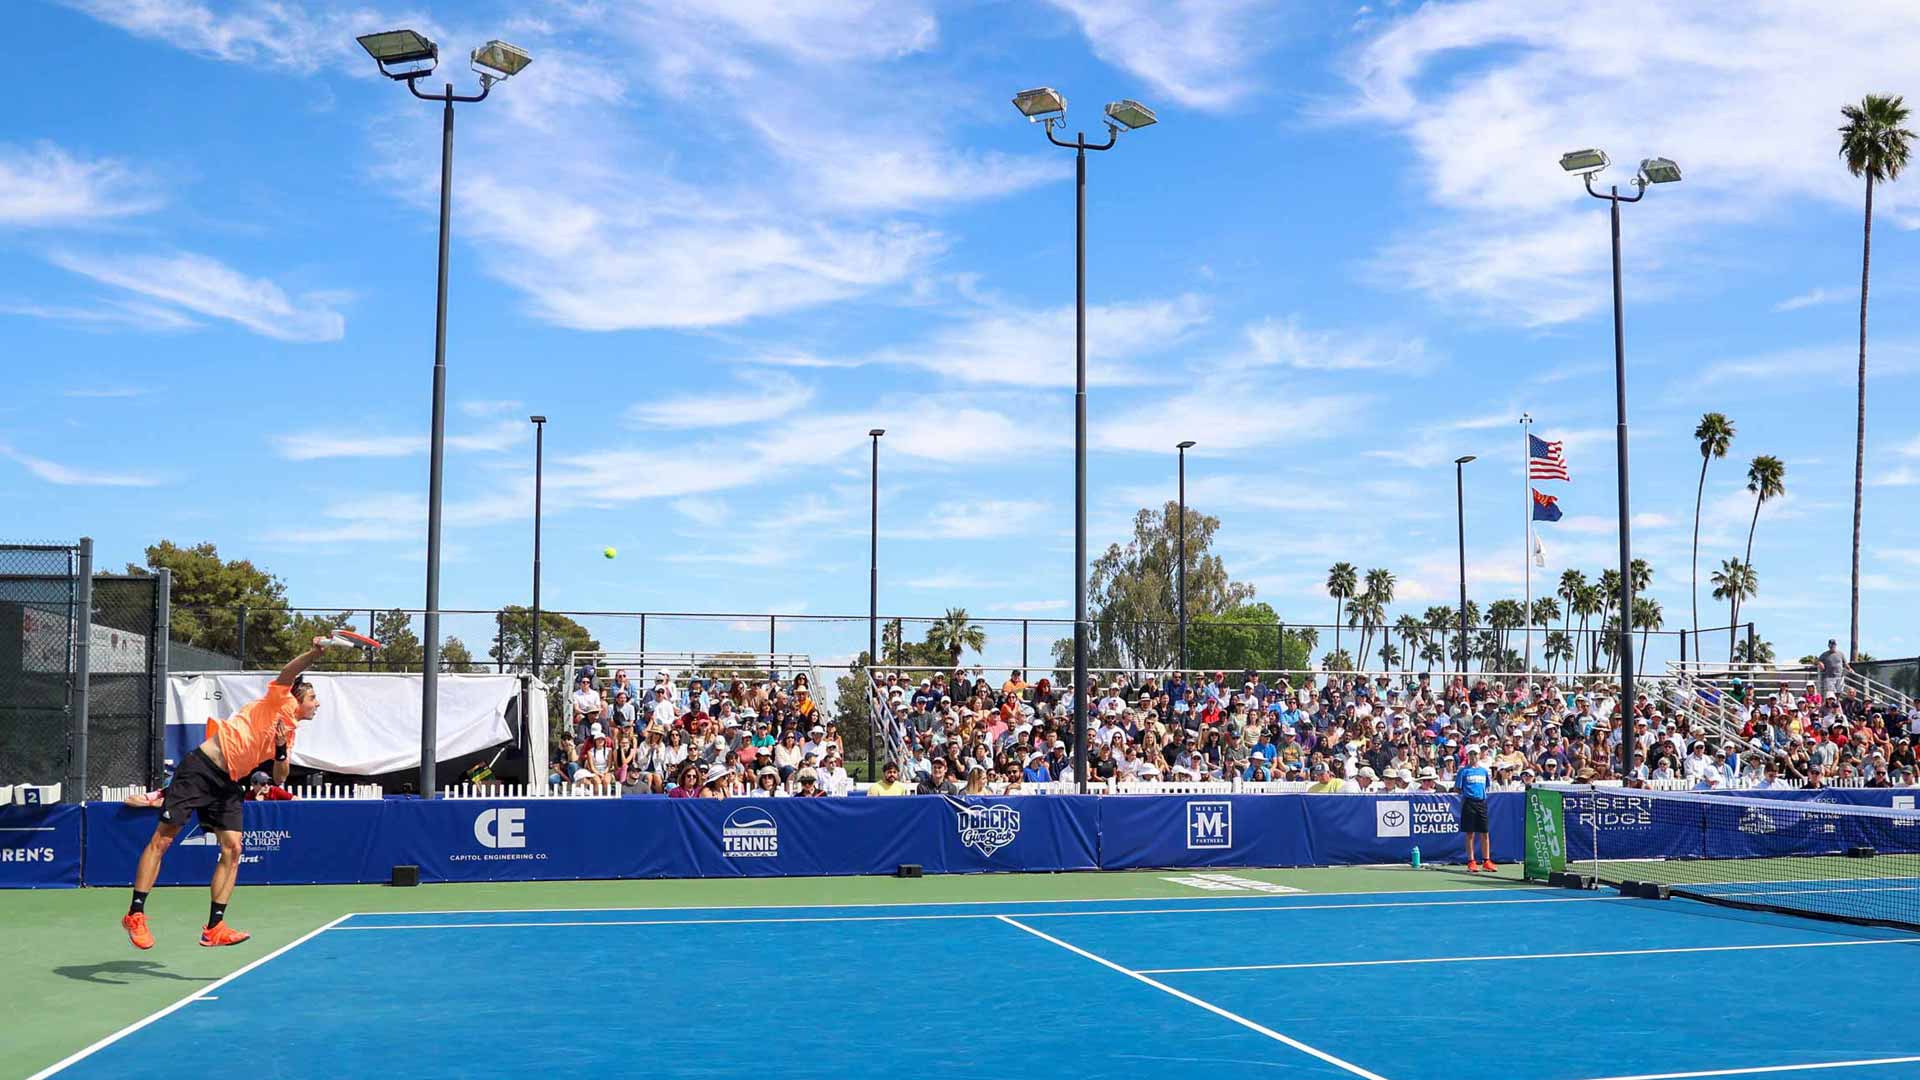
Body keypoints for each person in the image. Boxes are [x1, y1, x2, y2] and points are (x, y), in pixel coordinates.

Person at [124, 636, 337, 951]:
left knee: (233, 849)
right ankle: (136, 914)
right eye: (313, 698)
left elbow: (280, 776)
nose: (317, 704)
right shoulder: (278, 701)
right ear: (297, 698)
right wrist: (315, 653)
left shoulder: (289, 732)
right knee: (164, 839)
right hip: (201, 767)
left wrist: (280, 749)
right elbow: (289, 673)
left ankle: (214, 927)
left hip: (228, 782)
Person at [1457, 748, 1495, 872]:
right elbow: (1458, 788)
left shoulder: (1484, 771)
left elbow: (1486, 786)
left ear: (1479, 755)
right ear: (1468, 755)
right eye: (1471, 754)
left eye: (1475, 754)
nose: (1473, 756)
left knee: (1485, 832)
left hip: (1482, 803)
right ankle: (1471, 861)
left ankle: (1486, 861)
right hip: (1469, 803)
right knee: (1470, 833)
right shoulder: (1463, 771)